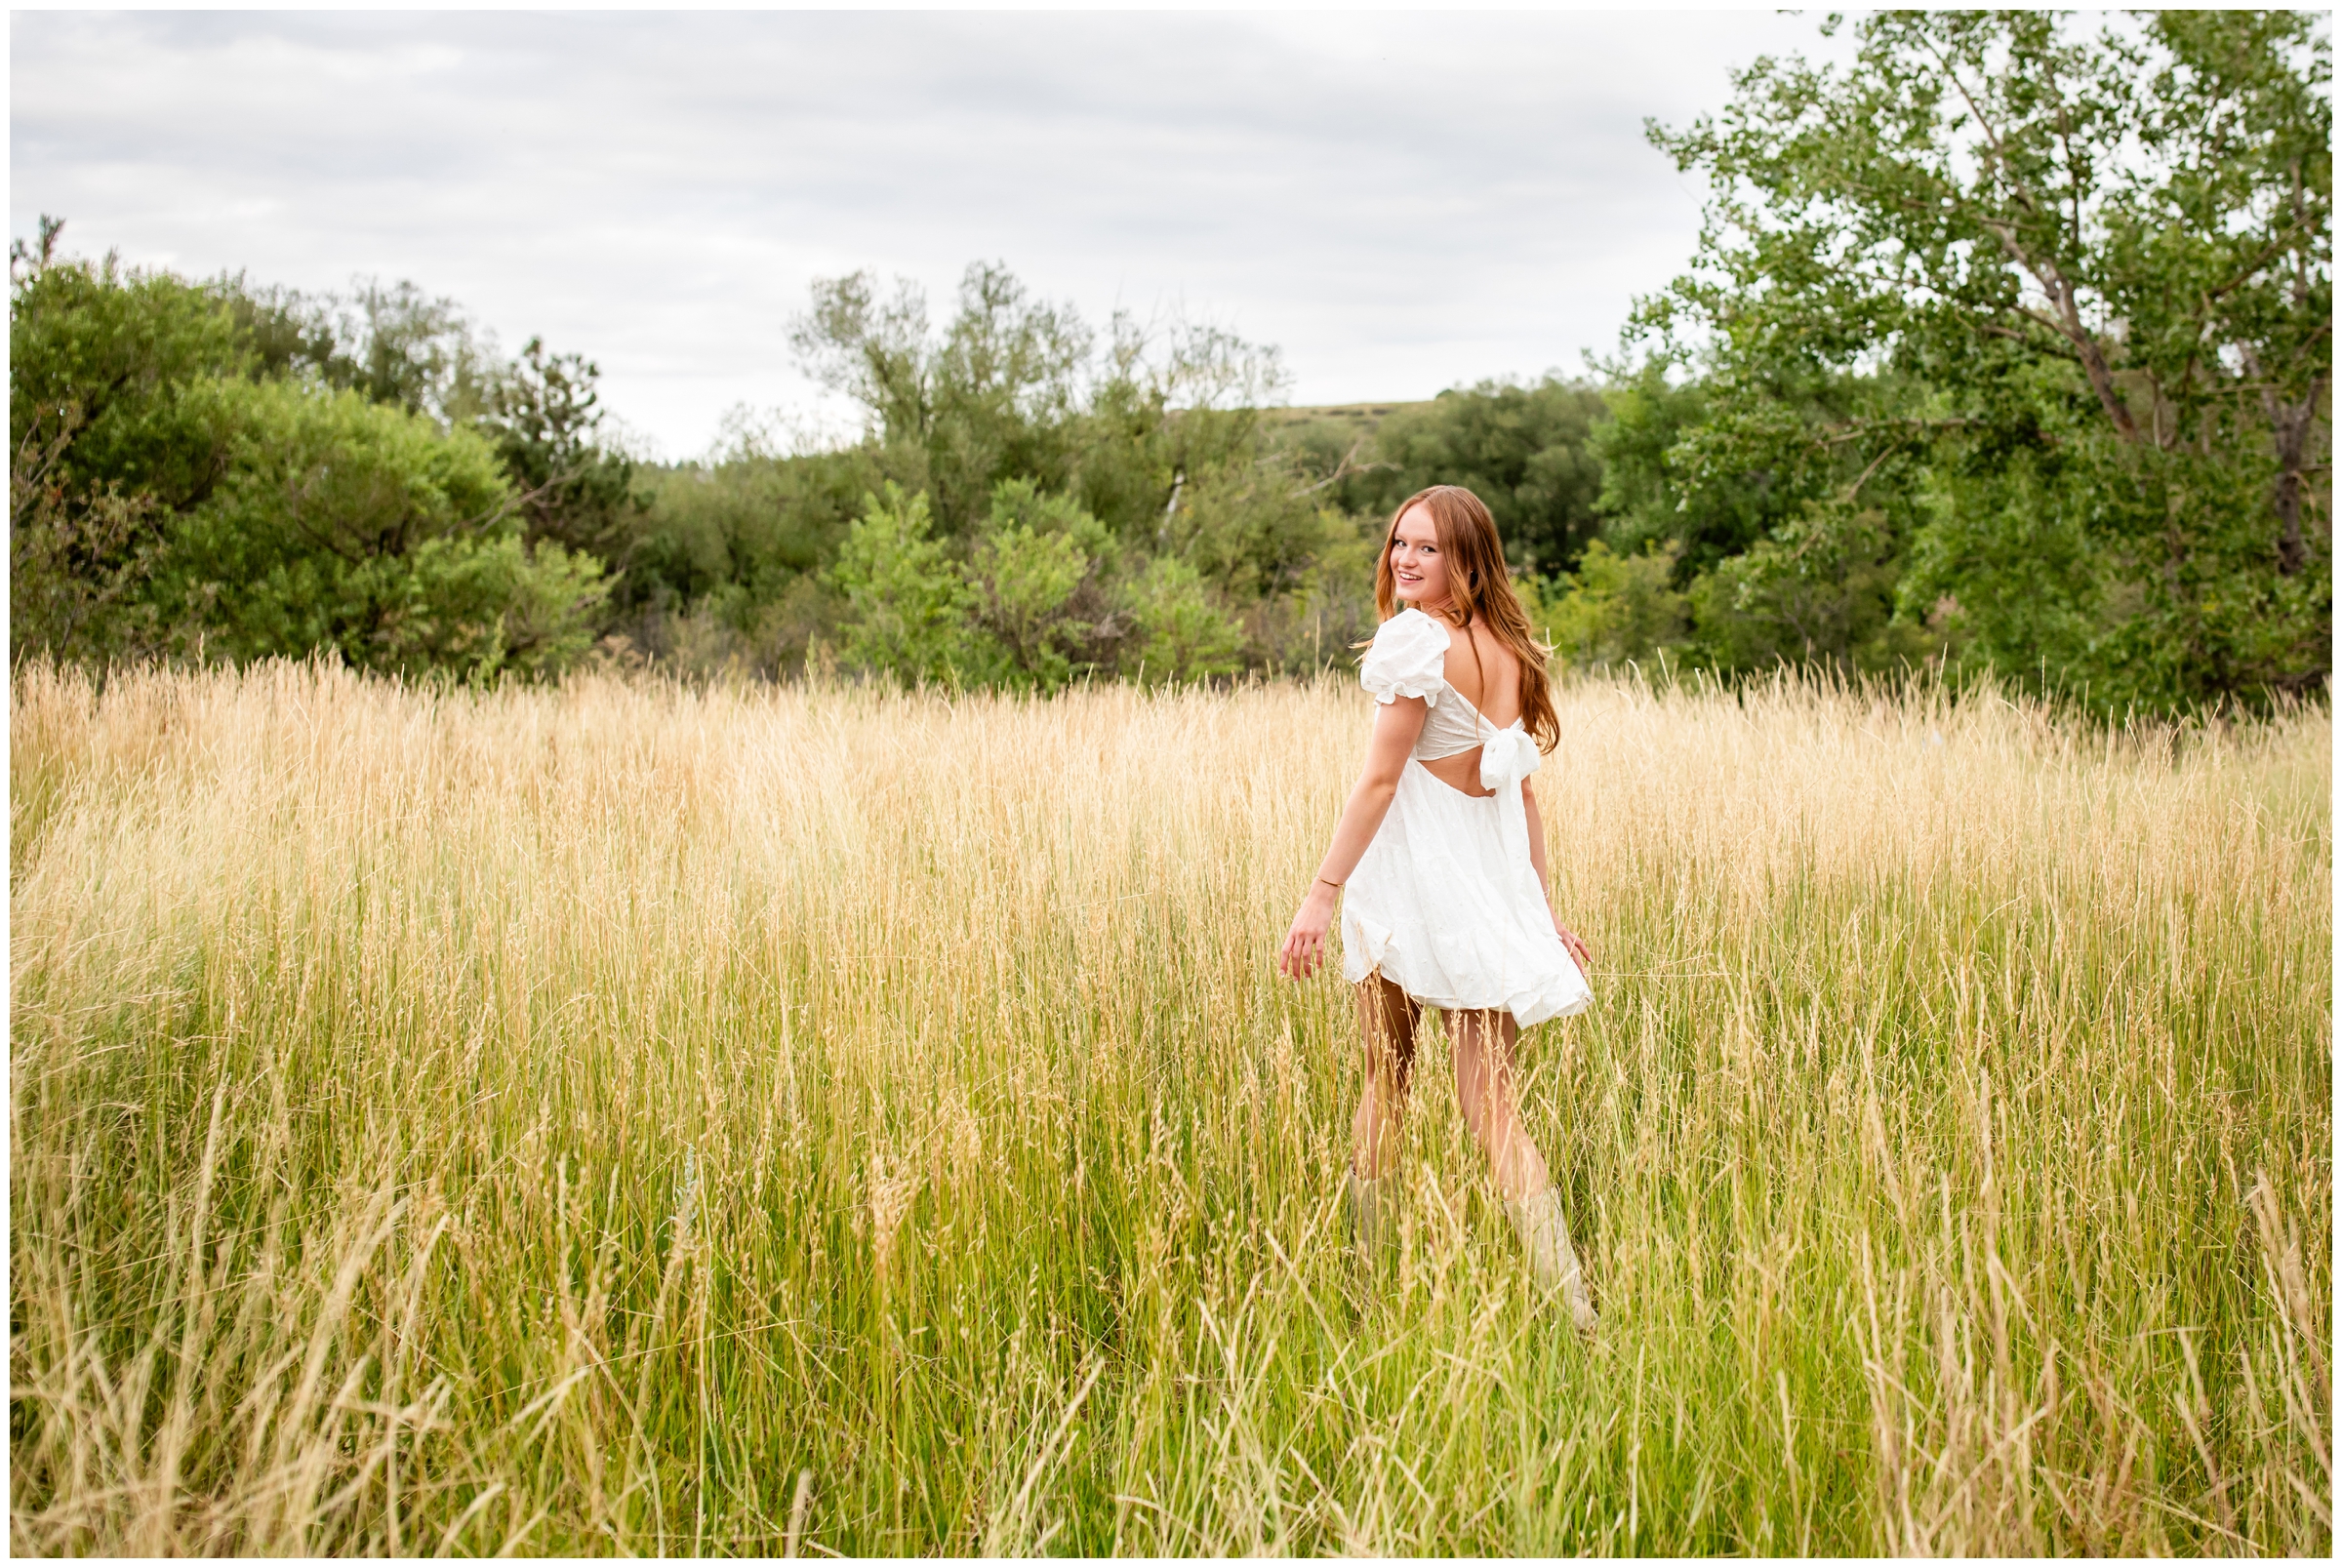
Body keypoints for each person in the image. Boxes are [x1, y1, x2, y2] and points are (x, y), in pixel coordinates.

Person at [1277, 484, 1598, 1330]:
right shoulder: (1512, 648)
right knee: (1491, 1107)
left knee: (1387, 1081)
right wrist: (1537, 912)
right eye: (1398, 543)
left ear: (1468, 557)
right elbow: (1520, 798)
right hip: (1485, 895)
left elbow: (1382, 779)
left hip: (1409, 889)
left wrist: (1321, 892)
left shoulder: (1416, 639)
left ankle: (1361, 1290)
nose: (1404, 561)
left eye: (1426, 548)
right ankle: (1575, 1310)